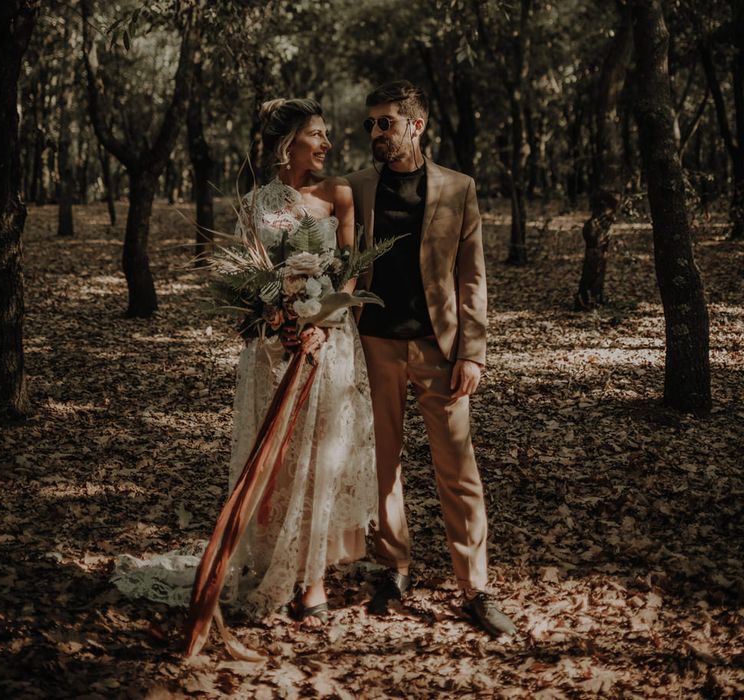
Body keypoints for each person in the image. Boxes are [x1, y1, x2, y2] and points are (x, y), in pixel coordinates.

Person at [112, 98, 377, 628]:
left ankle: (314, 580)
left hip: (329, 342)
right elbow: (248, 278)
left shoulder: (339, 195)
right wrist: (275, 315)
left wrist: (324, 320)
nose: (326, 144)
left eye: (326, 135)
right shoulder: (255, 202)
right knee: (278, 457)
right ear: (288, 143)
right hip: (272, 345)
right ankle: (275, 562)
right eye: (316, 135)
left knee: (320, 455)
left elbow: (353, 271)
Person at [345, 80, 516, 636]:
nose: (375, 132)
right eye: (370, 123)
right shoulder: (357, 189)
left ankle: (477, 587)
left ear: (415, 126)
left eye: (384, 123)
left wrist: (474, 352)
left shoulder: (458, 188)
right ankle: (394, 569)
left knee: (458, 470)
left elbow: (473, 278)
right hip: (374, 344)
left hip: (439, 351)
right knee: (384, 465)